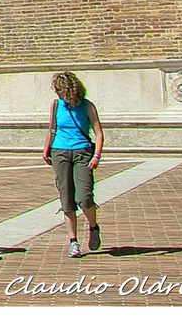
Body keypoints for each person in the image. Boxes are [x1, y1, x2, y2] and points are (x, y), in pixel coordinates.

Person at [43, 71, 104, 258]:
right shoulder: (56, 105)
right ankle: (73, 241)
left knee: (84, 196)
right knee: (66, 198)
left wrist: (97, 156)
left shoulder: (87, 106)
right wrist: (46, 149)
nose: (57, 93)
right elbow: (52, 128)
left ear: (69, 89)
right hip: (60, 152)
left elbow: (98, 132)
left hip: (82, 152)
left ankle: (93, 227)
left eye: (59, 89)